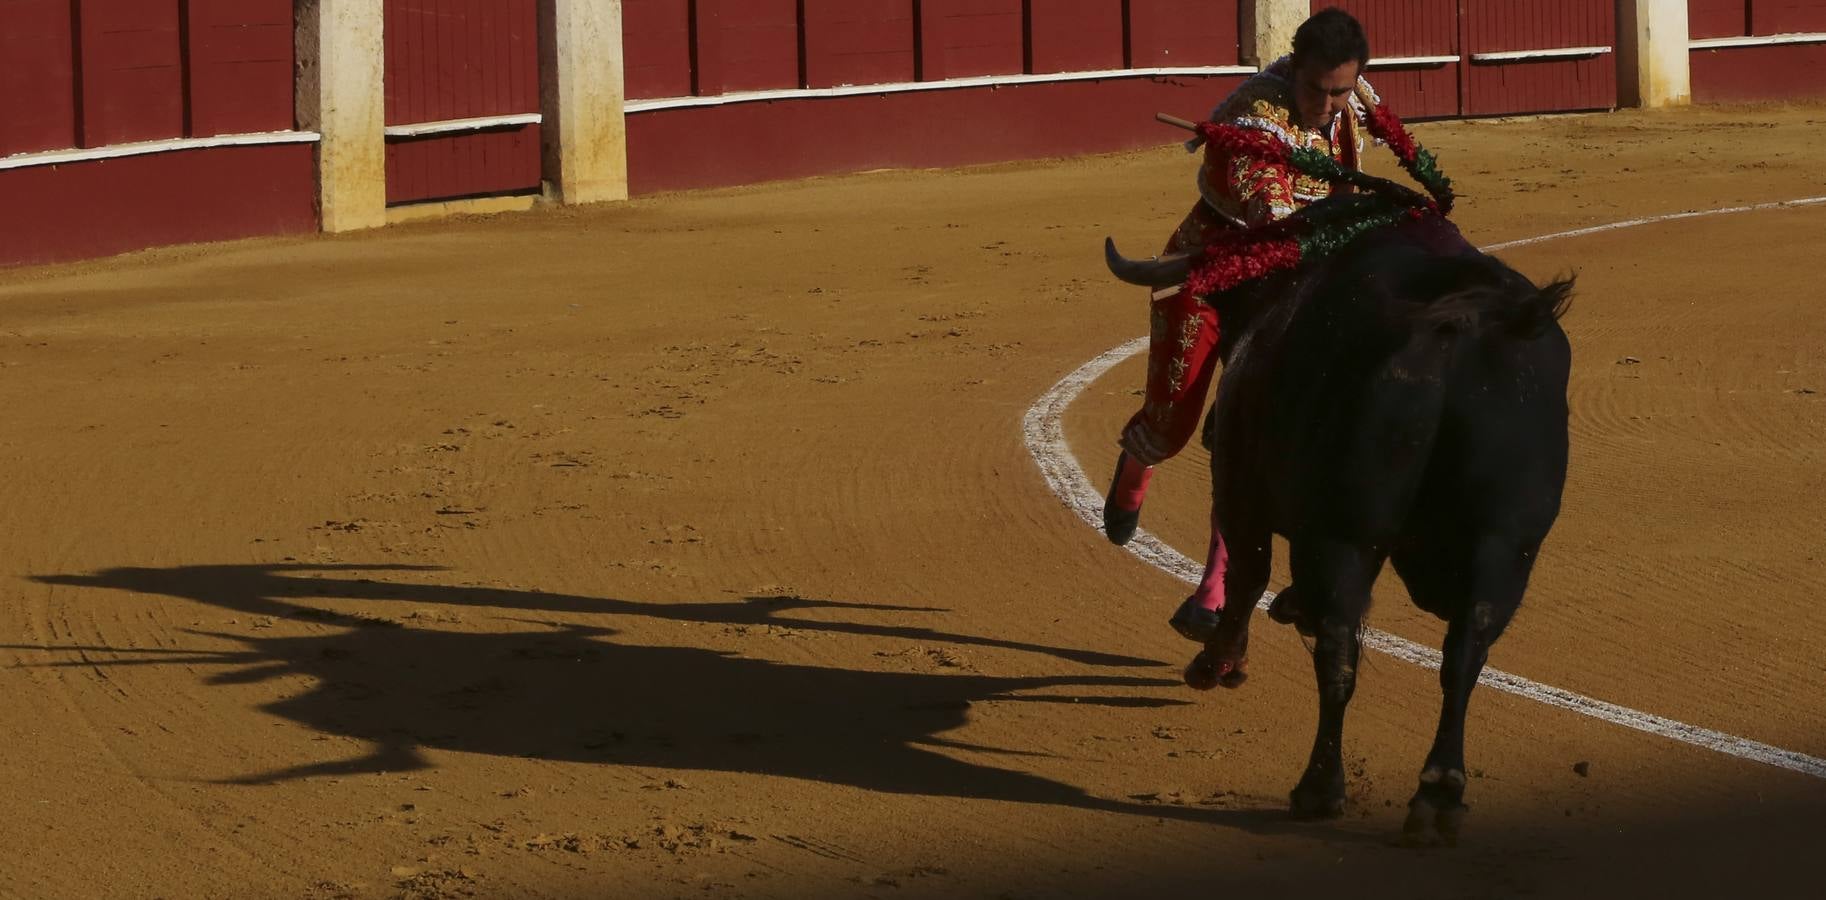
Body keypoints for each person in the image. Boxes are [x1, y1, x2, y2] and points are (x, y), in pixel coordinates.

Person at [1102, 7, 1383, 642]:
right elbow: (1273, 217)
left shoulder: (1354, 103)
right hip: (1211, 273)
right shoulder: (1253, 124)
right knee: (1172, 422)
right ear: (1294, 73)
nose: (1327, 103)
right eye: (1316, 89)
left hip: (1288, 284)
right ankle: (1133, 465)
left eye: (1340, 90)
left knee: (1252, 432)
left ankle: (1214, 588)